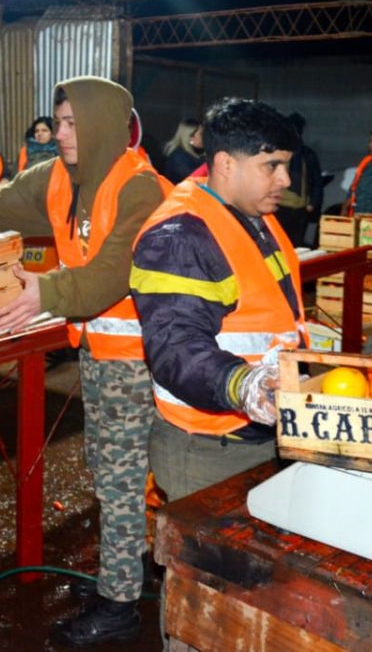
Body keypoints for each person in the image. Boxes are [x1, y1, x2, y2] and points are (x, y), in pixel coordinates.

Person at [0, 77, 170, 647]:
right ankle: (124, 572)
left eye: (71, 124)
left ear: (105, 125)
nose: (59, 134)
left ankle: (119, 605)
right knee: (112, 474)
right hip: (99, 353)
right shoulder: (58, 177)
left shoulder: (142, 190)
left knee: (120, 481)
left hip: (138, 361)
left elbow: (111, 276)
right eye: (57, 122)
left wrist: (44, 294)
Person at [131, 97, 305, 501]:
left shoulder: (254, 218)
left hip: (259, 435)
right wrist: (242, 384)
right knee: (205, 563)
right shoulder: (180, 236)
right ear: (226, 164)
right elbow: (175, 346)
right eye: (271, 166)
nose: (285, 180)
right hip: (211, 449)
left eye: (286, 165)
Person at [273, 111, 324, 247]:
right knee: (279, 245)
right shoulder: (277, 153)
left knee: (297, 245)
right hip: (279, 208)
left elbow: (317, 182)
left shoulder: (307, 155)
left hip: (300, 209)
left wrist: (312, 204)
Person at [161, 117, 204, 184]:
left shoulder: (195, 154)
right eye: (201, 134)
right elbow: (194, 179)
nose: (204, 137)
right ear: (190, 137)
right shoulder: (179, 157)